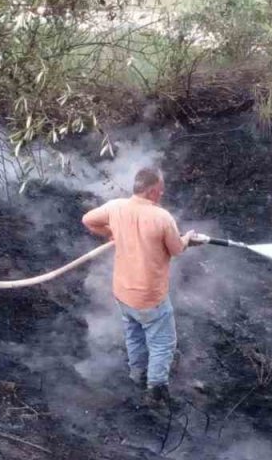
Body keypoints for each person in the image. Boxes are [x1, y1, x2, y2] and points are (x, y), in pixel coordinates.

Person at [82, 166, 194, 406]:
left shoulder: (116, 207)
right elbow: (176, 250)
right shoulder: (161, 217)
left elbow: (88, 220)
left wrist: (111, 232)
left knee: (134, 334)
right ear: (153, 191)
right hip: (150, 297)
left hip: (123, 293)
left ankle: (137, 376)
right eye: (161, 190)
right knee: (162, 343)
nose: (162, 195)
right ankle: (156, 390)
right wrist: (188, 239)